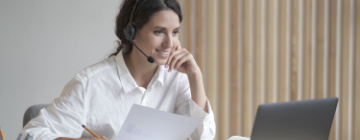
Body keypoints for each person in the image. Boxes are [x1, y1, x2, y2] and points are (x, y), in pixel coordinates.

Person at [18, 0, 216, 139]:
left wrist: (195, 77)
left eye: (175, 32)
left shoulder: (178, 78)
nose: (170, 43)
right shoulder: (90, 84)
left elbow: (203, 138)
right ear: (131, 32)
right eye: (159, 32)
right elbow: (30, 135)